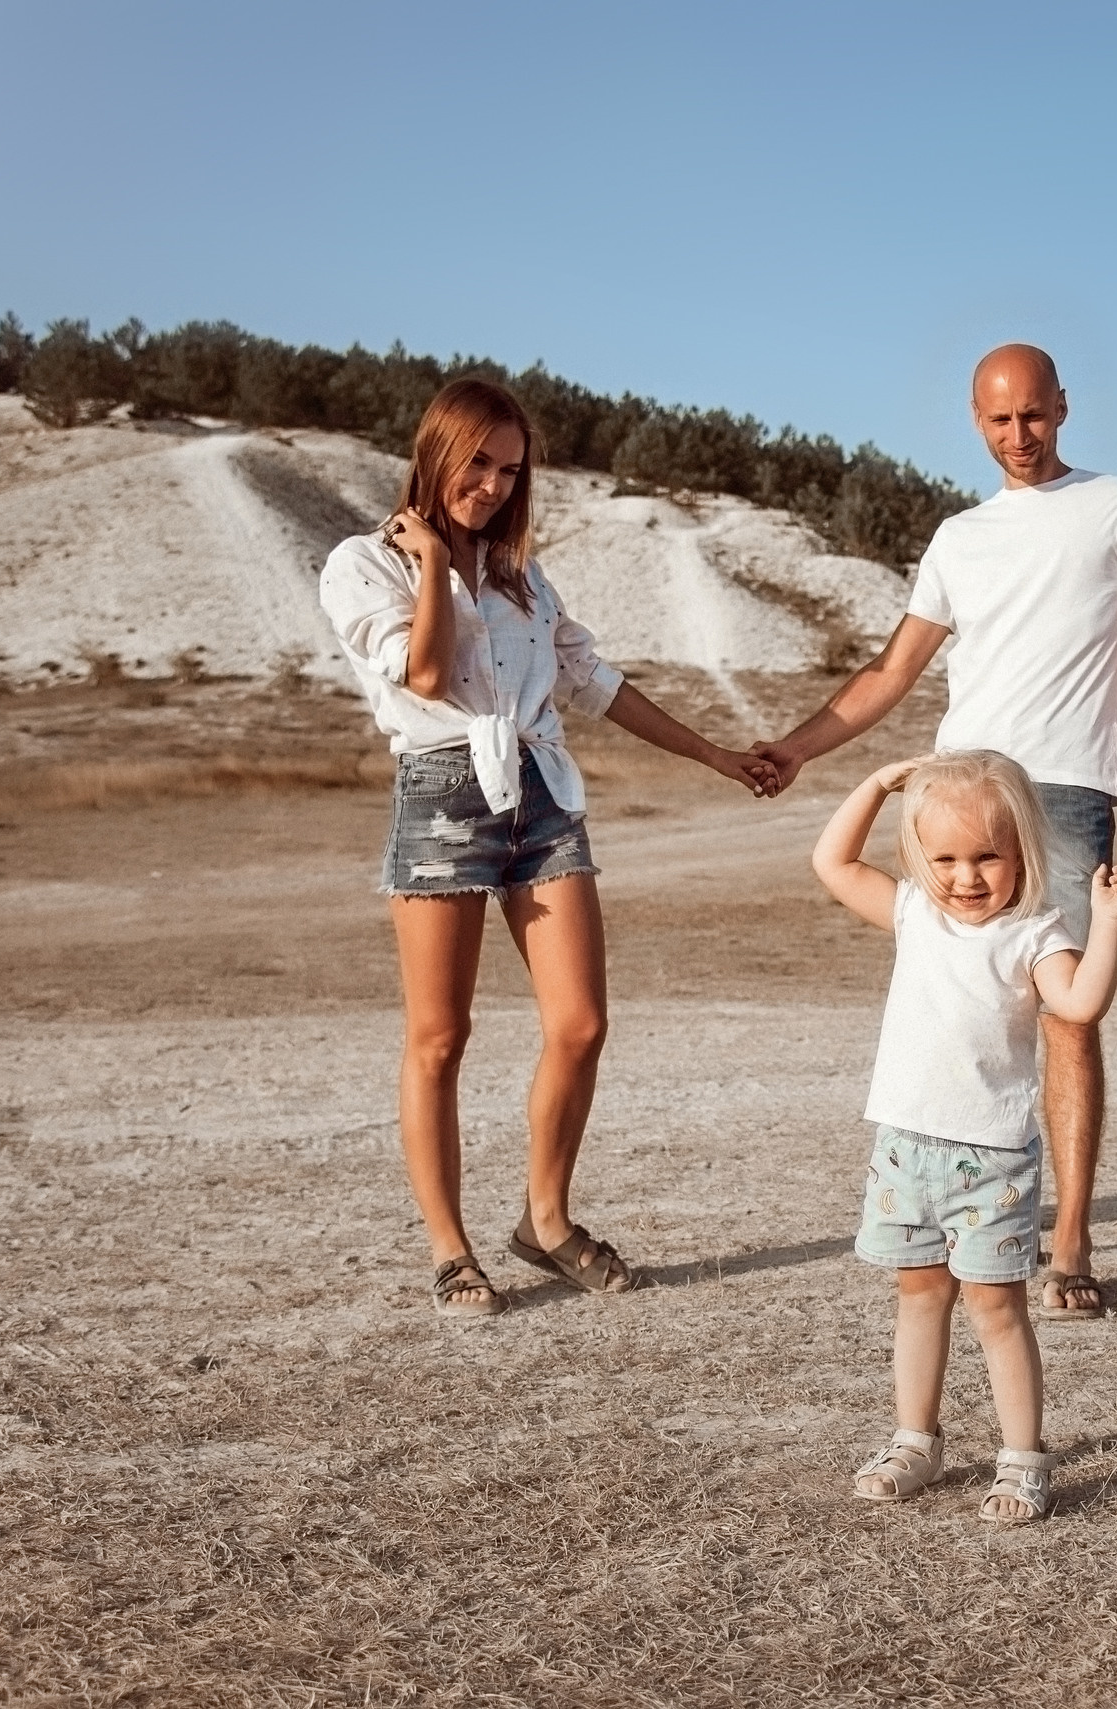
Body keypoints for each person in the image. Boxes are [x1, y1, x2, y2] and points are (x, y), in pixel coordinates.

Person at [755, 343, 1117, 1321]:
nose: (1018, 436)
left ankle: (1069, 1239)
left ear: (1063, 408)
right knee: (950, 1001)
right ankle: (957, 1204)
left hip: (1069, 788)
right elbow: (888, 673)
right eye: (999, 420)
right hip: (962, 792)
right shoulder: (958, 538)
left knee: (1068, 1012)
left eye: (1033, 416)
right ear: (974, 420)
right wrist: (796, 747)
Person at [319, 378, 775, 1317]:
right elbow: (431, 672)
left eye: (507, 471)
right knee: (440, 1037)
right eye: (476, 462)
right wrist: (440, 561)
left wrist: (716, 755)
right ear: (436, 446)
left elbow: (599, 685)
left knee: (580, 1024)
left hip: (542, 791)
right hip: (445, 789)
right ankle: (451, 1251)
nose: (489, 485)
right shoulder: (364, 564)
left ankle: (547, 1220)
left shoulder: (524, 577)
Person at [812, 750, 1117, 1522]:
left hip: (990, 1161)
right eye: (947, 857)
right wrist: (877, 784)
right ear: (921, 857)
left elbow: (1082, 1005)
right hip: (905, 1148)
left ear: (1022, 849)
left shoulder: (1036, 937)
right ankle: (915, 1441)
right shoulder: (912, 912)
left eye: (987, 855)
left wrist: (1109, 925)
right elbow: (831, 860)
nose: (966, 876)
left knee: (997, 1311)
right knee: (918, 1296)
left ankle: (1023, 1458)